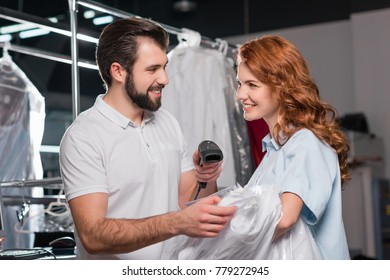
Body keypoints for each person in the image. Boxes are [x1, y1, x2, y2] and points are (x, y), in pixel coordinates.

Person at [59, 17, 236, 260]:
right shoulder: (84, 137)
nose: (165, 79)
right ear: (118, 71)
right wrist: (176, 223)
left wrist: (206, 180)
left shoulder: (167, 123)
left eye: (164, 67)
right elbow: (93, 236)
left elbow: (189, 203)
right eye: (152, 69)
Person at [235, 35, 351, 259]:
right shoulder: (275, 148)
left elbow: (284, 219)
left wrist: (225, 239)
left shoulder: (306, 142)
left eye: (252, 85)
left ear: (282, 87)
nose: (240, 94)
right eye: (240, 84)